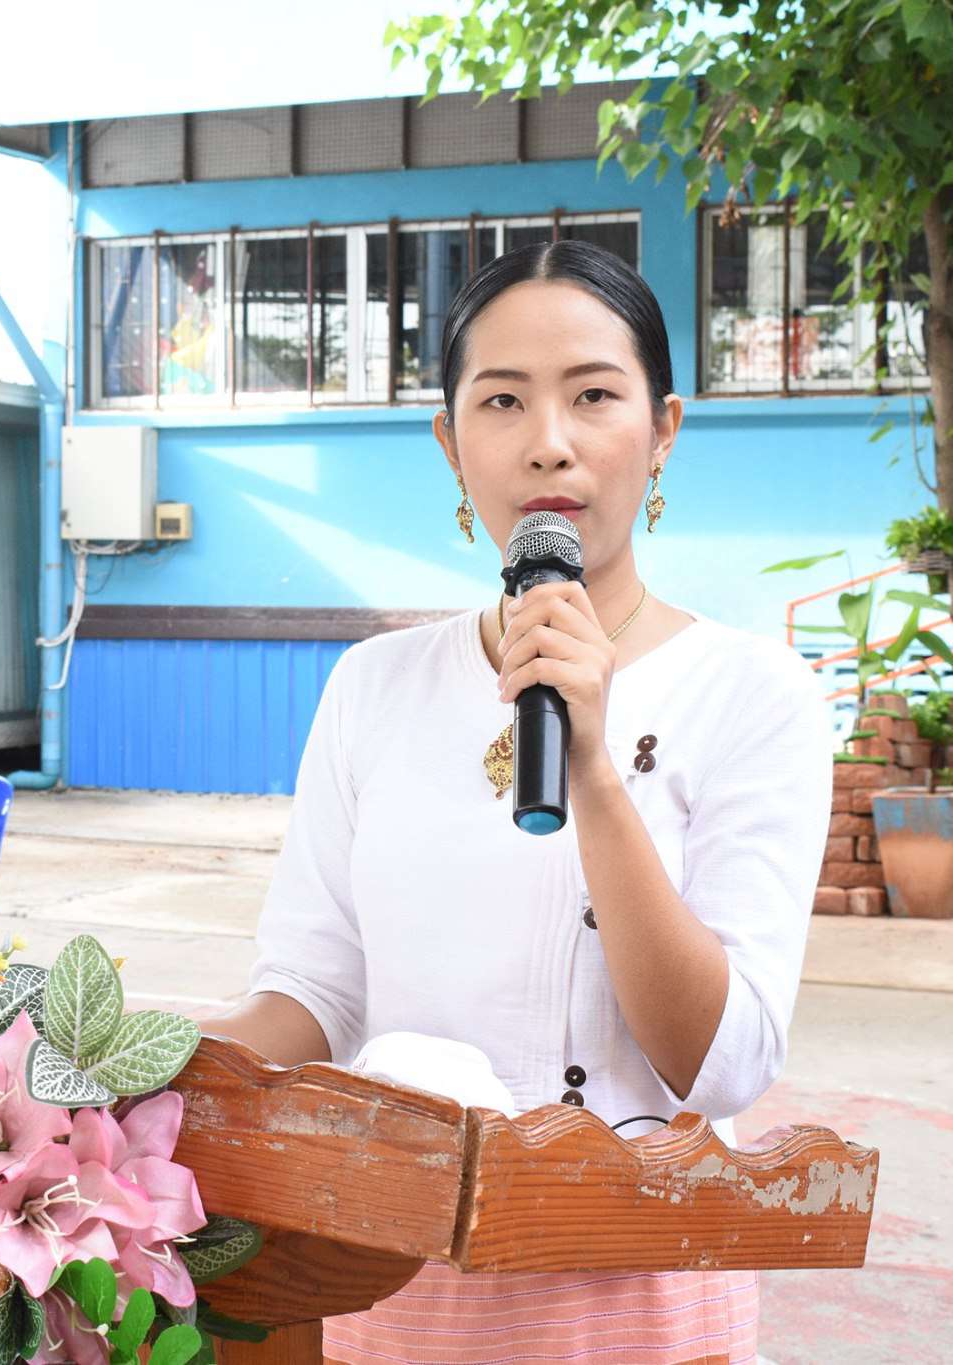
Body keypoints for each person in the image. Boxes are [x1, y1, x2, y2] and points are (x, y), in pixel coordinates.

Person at [207, 241, 831, 1363]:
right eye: (501, 400)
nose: (549, 441)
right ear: (451, 444)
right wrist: (132, 1063)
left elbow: (724, 1066)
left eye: (593, 395)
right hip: (394, 1282)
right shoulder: (373, 685)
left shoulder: (753, 692)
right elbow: (314, 994)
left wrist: (592, 769)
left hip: (638, 1300)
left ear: (663, 429)